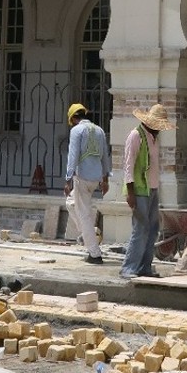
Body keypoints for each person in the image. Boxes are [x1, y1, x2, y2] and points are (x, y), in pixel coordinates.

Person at [120, 102, 174, 280]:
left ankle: (145, 267)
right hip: (139, 190)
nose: (160, 129)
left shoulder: (153, 138)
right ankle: (129, 268)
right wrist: (131, 193)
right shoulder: (135, 136)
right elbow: (128, 166)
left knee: (153, 228)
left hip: (152, 189)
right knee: (140, 229)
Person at [63, 102, 112, 263]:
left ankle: (94, 253)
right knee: (72, 204)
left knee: (83, 214)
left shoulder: (76, 130)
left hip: (82, 177)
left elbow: (73, 155)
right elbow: (105, 156)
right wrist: (105, 179)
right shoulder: (99, 130)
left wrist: (68, 178)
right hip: (96, 177)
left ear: (74, 118)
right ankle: (89, 231)